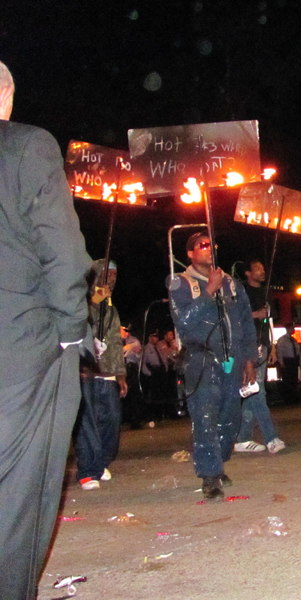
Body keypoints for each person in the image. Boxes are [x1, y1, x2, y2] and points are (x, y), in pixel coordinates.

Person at [0, 60, 92, 600]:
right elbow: (61, 248)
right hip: (21, 348)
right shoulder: (26, 147)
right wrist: (69, 331)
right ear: (6, 96)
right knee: (19, 490)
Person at [167, 231, 258, 501]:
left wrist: (249, 359)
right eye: (201, 245)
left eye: (211, 244)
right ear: (190, 253)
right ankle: (210, 474)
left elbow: (244, 322)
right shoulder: (180, 283)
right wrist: (208, 292)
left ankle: (219, 461)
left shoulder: (232, 284)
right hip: (200, 359)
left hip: (232, 358)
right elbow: (183, 321)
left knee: (231, 417)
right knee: (204, 417)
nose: (208, 249)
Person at [73, 260, 128, 490]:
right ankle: (87, 469)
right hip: (85, 369)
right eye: (107, 274)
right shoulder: (81, 301)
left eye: (115, 274)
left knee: (112, 418)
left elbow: (114, 342)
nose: (111, 279)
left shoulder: (111, 308)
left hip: (106, 371)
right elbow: (76, 325)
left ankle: (100, 461)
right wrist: (92, 303)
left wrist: (120, 374)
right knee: (87, 422)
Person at [234, 258, 285, 454]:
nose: (261, 272)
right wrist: (254, 314)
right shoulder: (241, 291)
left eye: (263, 268)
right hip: (247, 345)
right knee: (257, 390)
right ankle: (271, 437)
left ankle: (243, 438)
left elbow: (270, 319)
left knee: (251, 391)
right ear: (247, 273)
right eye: (257, 268)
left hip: (262, 343)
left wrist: (272, 346)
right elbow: (236, 318)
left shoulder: (266, 292)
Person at [275, 322, 301, 403]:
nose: (293, 330)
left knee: (294, 380)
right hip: (287, 362)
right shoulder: (282, 340)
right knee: (287, 381)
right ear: (287, 329)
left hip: (294, 361)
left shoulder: (294, 340)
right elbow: (279, 352)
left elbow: (298, 352)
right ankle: (288, 399)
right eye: (291, 328)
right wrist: (281, 362)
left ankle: (294, 398)